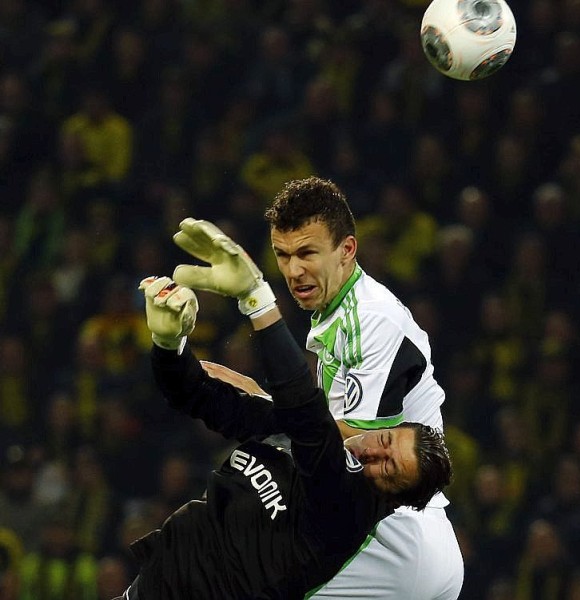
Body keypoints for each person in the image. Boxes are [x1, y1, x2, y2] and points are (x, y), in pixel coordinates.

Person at [172, 177, 464, 598]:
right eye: (282, 255)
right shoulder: (337, 313)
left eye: (307, 253)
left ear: (347, 250)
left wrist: (258, 404)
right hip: (401, 544)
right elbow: (319, 432)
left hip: (394, 540)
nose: (293, 271)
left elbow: (353, 449)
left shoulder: (372, 320)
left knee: (227, 578)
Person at [117, 269, 452, 599]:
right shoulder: (292, 432)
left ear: (392, 501)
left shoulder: (349, 507)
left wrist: (259, 302)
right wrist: (169, 343)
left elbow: (306, 411)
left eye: (388, 468)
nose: (374, 454)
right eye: (384, 441)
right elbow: (194, 394)